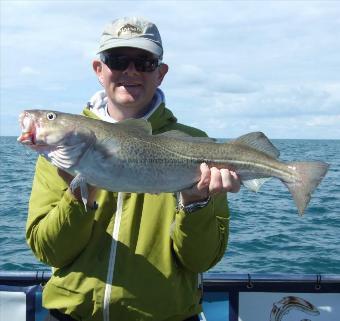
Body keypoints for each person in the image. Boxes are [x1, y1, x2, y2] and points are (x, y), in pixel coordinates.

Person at [26, 17, 240, 321]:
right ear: (99, 70)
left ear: (161, 73)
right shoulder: (61, 152)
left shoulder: (198, 146)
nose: (130, 71)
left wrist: (196, 203)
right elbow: (49, 251)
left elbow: (200, 260)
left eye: (144, 62)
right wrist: (80, 194)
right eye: (117, 60)